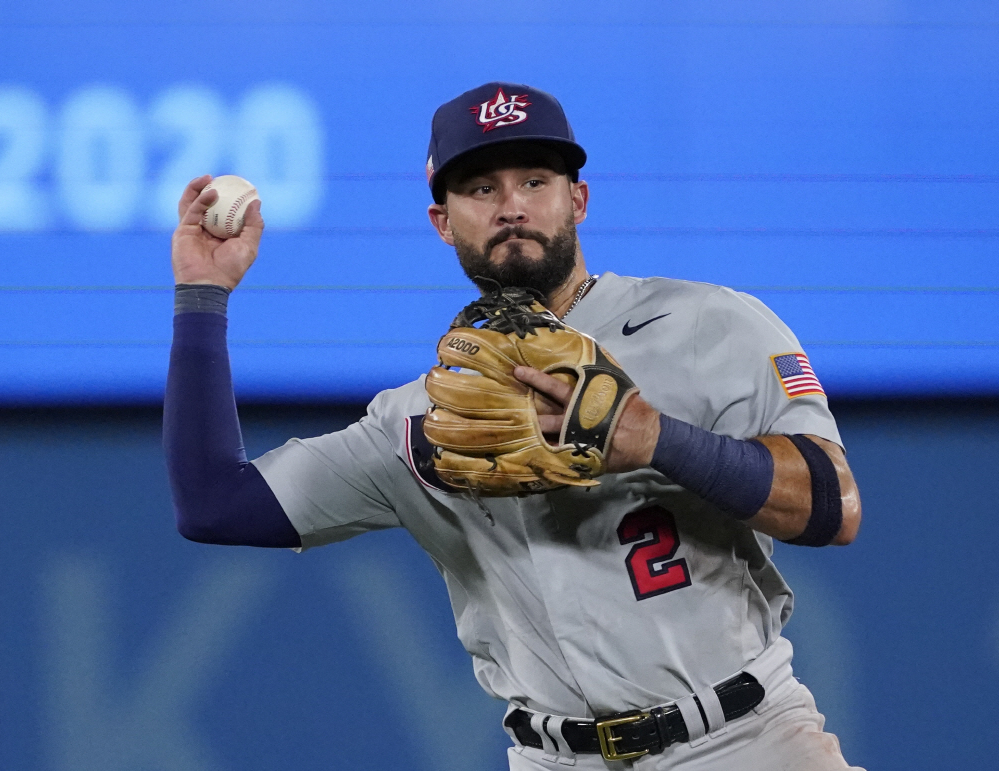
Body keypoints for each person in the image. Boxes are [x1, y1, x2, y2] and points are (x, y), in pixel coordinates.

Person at [164, 82, 865, 770]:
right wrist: (202, 294)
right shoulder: (420, 421)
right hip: (550, 756)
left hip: (741, 741)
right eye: (480, 189)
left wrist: (656, 440)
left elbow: (833, 505)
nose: (511, 207)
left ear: (577, 200)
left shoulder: (705, 324)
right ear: (442, 221)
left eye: (535, 181)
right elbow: (214, 502)